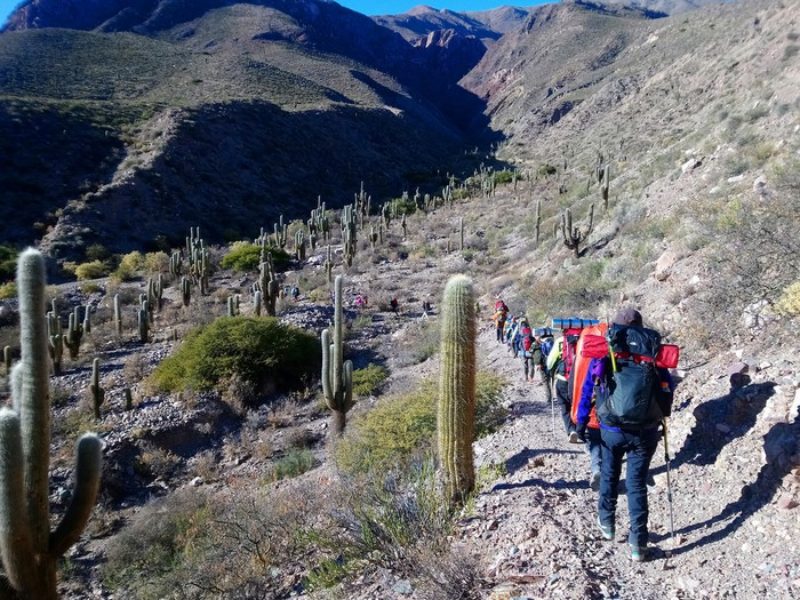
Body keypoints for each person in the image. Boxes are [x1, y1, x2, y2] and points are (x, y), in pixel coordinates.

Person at [593, 308, 674, 562]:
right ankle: (638, 544)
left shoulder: (609, 349)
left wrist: (584, 420)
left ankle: (607, 524)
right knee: (636, 484)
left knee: (609, 472)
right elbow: (667, 391)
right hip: (645, 432)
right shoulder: (651, 352)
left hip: (612, 429)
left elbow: (593, 382)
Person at [546, 336, 578, 441]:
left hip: (563, 379)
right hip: (580, 380)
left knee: (565, 406)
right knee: (577, 405)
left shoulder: (561, 341)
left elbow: (550, 363)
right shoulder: (585, 338)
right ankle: (581, 427)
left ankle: (571, 430)